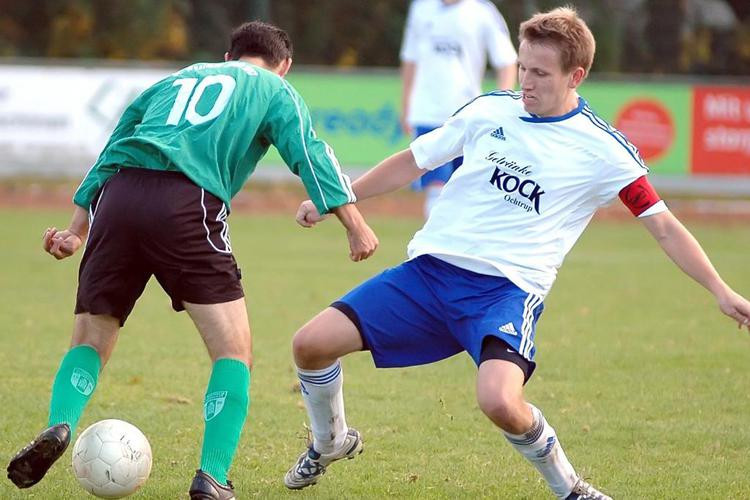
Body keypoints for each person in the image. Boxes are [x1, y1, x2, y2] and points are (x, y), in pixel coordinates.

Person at [284, 7, 750, 499]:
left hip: (504, 293)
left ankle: (571, 489)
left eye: (541, 73)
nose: (526, 82)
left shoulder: (604, 150)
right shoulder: (489, 109)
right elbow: (410, 162)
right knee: (309, 345)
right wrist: (339, 197)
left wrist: (720, 290)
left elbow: (664, 228)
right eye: (523, 68)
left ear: (577, 76)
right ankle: (330, 440)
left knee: (499, 400)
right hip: (427, 276)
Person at [5, 20, 378, 500]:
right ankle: (211, 477)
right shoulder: (273, 88)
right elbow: (310, 154)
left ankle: (59, 424)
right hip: (185, 203)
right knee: (233, 352)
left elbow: (113, 148)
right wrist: (354, 224)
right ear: (284, 66)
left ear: (227, 57)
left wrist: (77, 229)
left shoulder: (176, 78)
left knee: (92, 338)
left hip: (119, 197)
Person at [400, 0, 518, 217]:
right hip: (427, 114)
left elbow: (507, 61)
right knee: (436, 189)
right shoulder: (421, 7)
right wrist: (406, 104)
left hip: (468, 116)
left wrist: (502, 104)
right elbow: (410, 58)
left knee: (466, 190)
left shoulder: (483, 11)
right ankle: (433, 247)